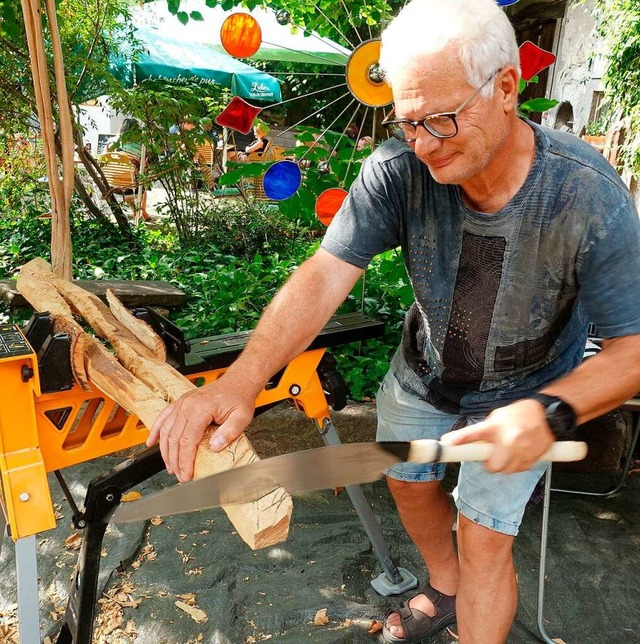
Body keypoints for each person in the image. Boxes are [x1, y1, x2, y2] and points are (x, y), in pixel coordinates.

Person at [147, 0, 640, 642]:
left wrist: (549, 411)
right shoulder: (397, 170)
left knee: (486, 537)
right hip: (427, 369)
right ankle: (445, 583)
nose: (424, 145)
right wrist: (240, 382)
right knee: (408, 483)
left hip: (534, 386)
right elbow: (324, 275)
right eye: (409, 123)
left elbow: (633, 353)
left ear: (506, 89)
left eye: (442, 120)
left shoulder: (588, 195)